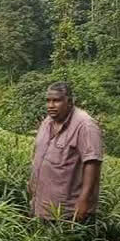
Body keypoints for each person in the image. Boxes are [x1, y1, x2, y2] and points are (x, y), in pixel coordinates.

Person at [29, 82, 103, 223]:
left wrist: (83, 201)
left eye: (56, 101)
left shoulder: (85, 125)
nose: (50, 105)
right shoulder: (47, 122)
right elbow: (38, 153)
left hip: (68, 212)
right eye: (48, 101)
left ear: (69, 102)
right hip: (42, 206)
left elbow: (92, 163)